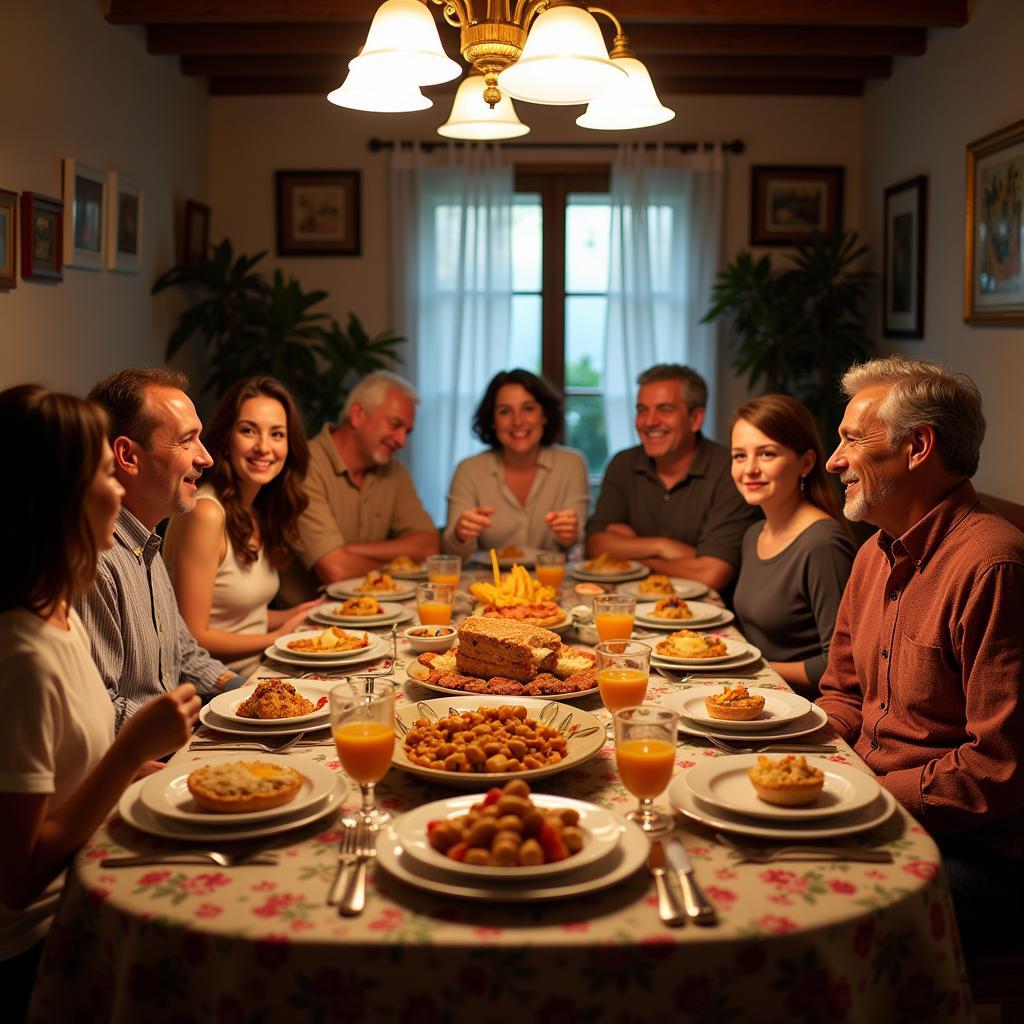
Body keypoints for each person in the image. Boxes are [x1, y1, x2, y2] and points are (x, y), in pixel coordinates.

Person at [0, 386, 199, 1019]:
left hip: (90, 882)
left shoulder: (60, 615)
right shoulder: (22, 656)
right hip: (43, 943)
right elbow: (19, 878)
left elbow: (71, 775)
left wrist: (137, 770)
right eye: (100, 476)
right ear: (52, 498)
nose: (117, 492)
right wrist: (133, 749)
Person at [815, 355, 1024, 952]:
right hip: (875, 805)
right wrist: (800, 752)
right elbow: (843, 693)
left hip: (976, 850)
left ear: (918, 447)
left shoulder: (993, 567)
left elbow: (999, 769)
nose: (834, 461)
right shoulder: (874, 552)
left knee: (809, 906)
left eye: (852, 439)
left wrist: (859, 793)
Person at [74, 368, 243, 728]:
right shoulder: (97, 564)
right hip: (141, 762)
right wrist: (190, 724)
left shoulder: (147, 541)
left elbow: (185, 655)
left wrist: (246, 691)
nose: (207, 458)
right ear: (128, 456)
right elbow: (99, 710)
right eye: (187, 440)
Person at [163, 377, 321, 678]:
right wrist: (279, 638)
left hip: (263, 669)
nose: (264, 447)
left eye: (277, 434)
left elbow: (241, 617)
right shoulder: (207, 513)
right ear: (226, 439)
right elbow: (194, 635)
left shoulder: (255, 510)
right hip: (219, 686)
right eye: (248, 430)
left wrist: (300, 615)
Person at [586, 364, 758, 593]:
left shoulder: (733, 470)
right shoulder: (623, 464)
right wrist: (662, 547)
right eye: (642, 410)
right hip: (631, 607)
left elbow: (710, 574)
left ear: (695, 419)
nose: (649, 422)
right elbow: (596, 546)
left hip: (708, 616)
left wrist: (634, 555)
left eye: (664, 409)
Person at [729, 395, 854, 694]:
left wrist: (753, 665)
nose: (749, 469)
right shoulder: (755, 533)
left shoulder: (821, 543)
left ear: (806, 463)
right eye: (739, 456)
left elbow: (841, 663)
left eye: (767, 454)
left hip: (803, 709)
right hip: (755, 695)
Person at [279, 371, 439, 604]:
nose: (402, 440)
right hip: (306, 623)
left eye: (407, 431)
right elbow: (335, 570)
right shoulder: (304, 467)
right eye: (395, 424)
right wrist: (395, 567)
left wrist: (351, 550)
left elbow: (429, 545)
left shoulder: (395, 471)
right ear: (357, 414)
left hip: (378, 610)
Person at [442, 369, 589, 560]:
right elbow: (452, 555)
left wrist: (569, 534)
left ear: (544, 415)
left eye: (528, 408)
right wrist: (460, 535)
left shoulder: (572, 464)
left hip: (551, 583)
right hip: (490, 584)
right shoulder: (469, 470)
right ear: (493, 421)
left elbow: (575, 542)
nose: (518, 421)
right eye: (504, 411)